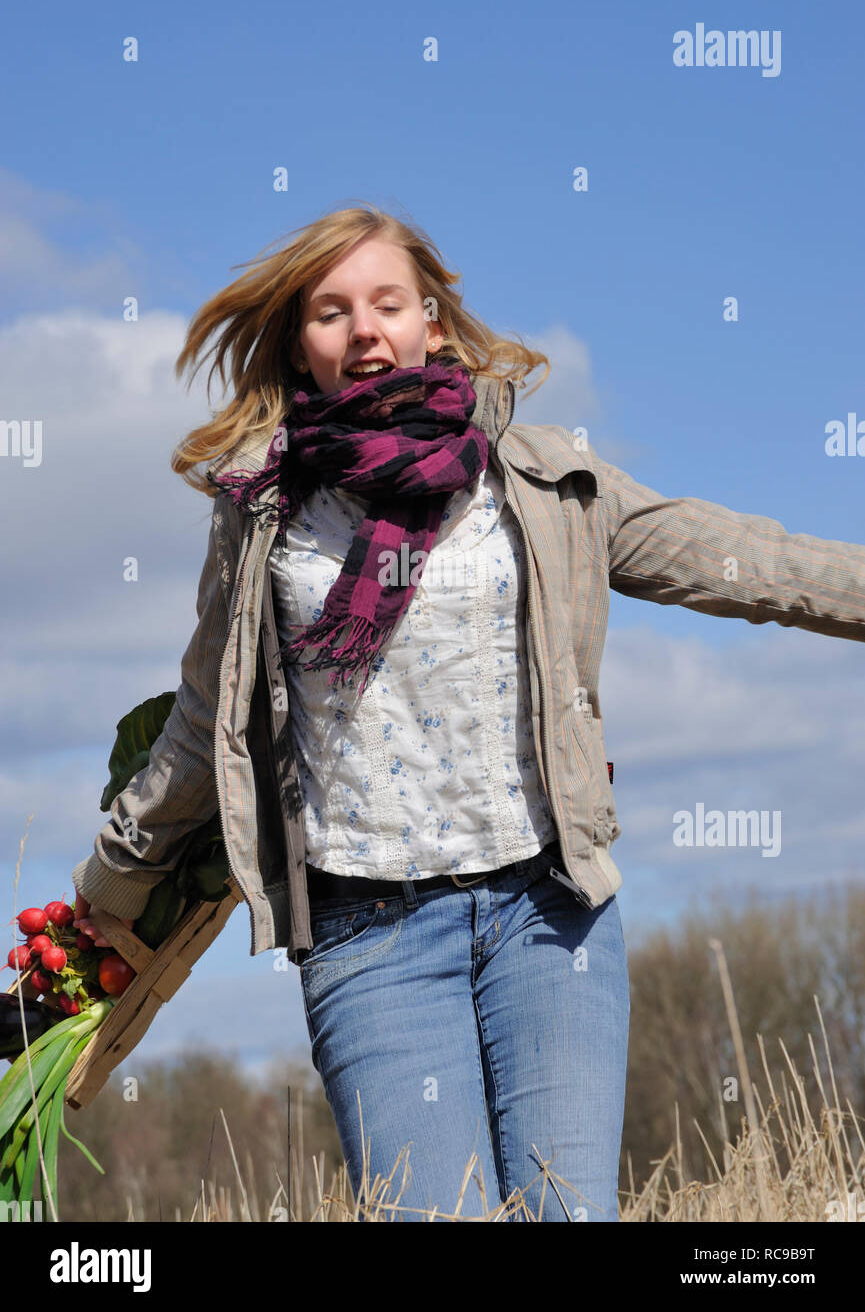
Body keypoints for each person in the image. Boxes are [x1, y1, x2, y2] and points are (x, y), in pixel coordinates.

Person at [71, 203, 865, 1223]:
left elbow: (739, 559)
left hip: (550, 910)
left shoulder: (539, 481)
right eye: (330, 312)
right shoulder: (263, 516)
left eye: (386, 304)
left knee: (567, 1214)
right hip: (371, 934)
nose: (363, 331)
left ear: (431, 323)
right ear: (298, 344)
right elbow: (202, 722)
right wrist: (115, 876)